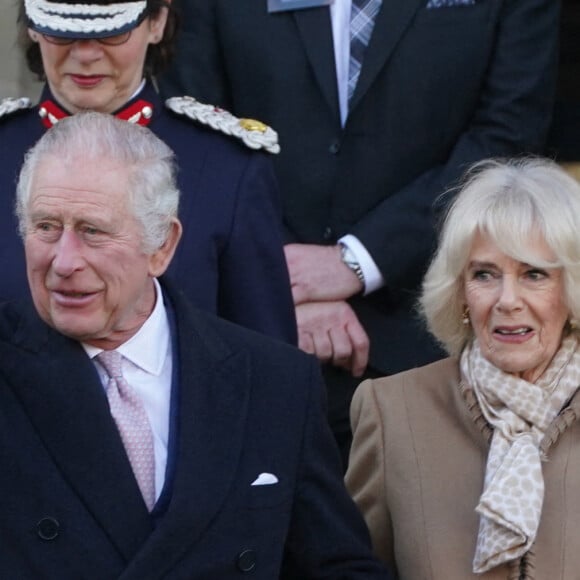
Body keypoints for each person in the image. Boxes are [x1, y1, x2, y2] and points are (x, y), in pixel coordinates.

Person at [159, 0, 560, 466]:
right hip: (254, 346)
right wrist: (280, 274)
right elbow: (191, 123)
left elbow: (507, 135)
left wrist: (357, 260)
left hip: (431, 344)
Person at [0, 110, 392, 579]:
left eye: (92, 231)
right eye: (45, 227)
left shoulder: (275, 382)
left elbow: (338, 567)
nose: (63, 261)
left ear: (162, 246)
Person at [0, 0, 296, 345]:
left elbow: (264, 359)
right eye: (61, 34)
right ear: (34, 27)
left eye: (112, 35)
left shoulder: (227, 168)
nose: (85, 54)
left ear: (157, 21)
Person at [345, 158, 580, 579]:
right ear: (460, 292)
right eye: (485, 274)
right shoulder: (392, 412)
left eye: (534, 274)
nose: (507, 300)